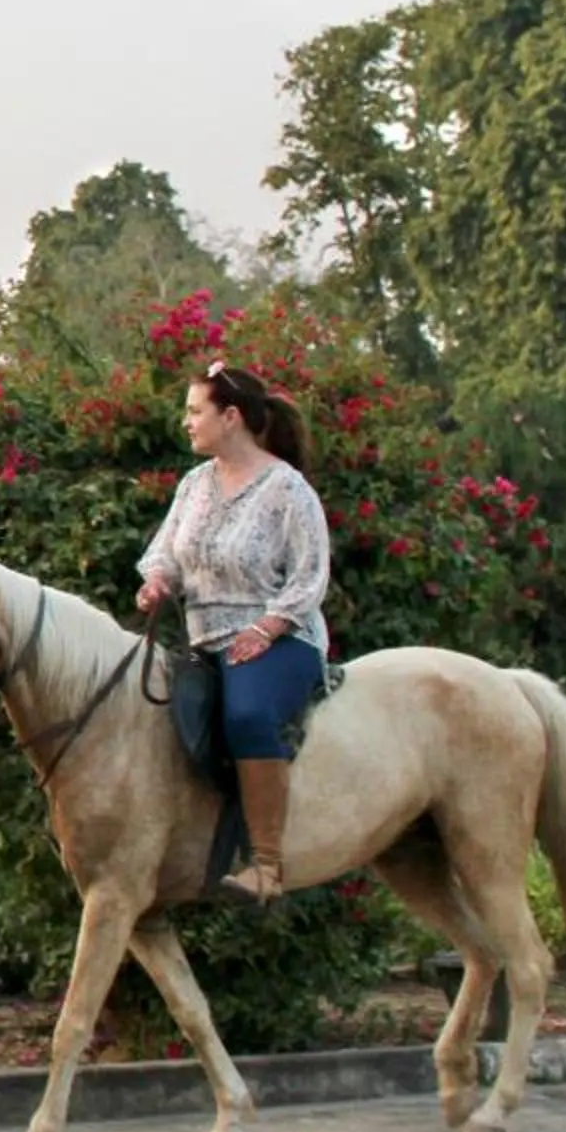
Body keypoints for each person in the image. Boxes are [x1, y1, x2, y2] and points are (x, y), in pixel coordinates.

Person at [134, 358, 332, 906]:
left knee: (246, 713)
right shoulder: (194, 485)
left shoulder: (287, 490)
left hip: (282, 638)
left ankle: (267, 865)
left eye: (196, 411)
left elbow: (310, 576)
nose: (186, 422)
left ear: (232, 417)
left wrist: (267, 629)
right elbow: (168, 555)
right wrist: (156, 583)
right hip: (204, 640)